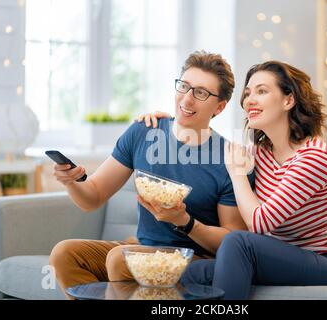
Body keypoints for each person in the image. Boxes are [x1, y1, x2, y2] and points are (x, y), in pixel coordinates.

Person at [49, 50, 253, 299]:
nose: (187, 100)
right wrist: (71, 182)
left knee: (120, 260)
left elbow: (232, 241)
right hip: (141, 246)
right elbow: (92, 197)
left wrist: (184, 221)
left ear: (219, 107)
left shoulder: (229, 159)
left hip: (191, 256)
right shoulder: (144, 132)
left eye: (200, 93)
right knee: (65, 253)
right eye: (184, 86)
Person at [139, 60, 327, 300]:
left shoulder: (313, 156)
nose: (249, 100)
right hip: (276, 256)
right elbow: (211, 154)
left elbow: (260, 224)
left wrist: (238, 174)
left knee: (239, 242)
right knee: (190, 272)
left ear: (288, 100)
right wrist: (169, 124)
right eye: (248, 92)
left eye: (262, 91)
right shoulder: (259, 152)